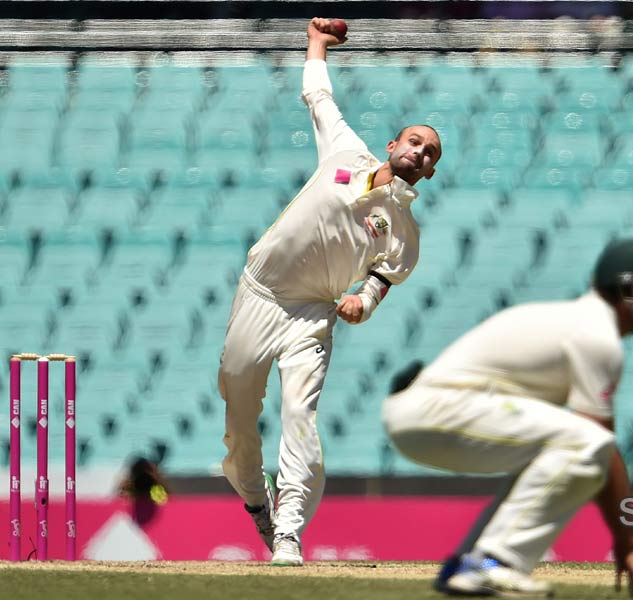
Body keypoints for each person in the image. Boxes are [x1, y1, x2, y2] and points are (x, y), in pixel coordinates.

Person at [217, 17, 442, 566]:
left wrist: (359, 305)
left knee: (300, 415)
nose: (420, 152)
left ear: (430, 174)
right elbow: (318, 94)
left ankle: (289, 531)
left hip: (313, 315)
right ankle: (256, 502)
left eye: (431, 153)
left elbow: (379, 284)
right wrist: (317, 44)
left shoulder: (404, 233)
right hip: (261, 294)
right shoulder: (345, 153)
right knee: (240, 418)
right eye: (415, 141)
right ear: (394, 145)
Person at [382, 237, 633, 598]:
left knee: (557, 451)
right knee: (588, 442)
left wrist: (627, 538)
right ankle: (495, 563)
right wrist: (631, 542)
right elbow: (603, 446)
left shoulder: (578, 320)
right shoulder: (597, 335)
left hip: (423, 414)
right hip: (437, 409)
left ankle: (468, 565)